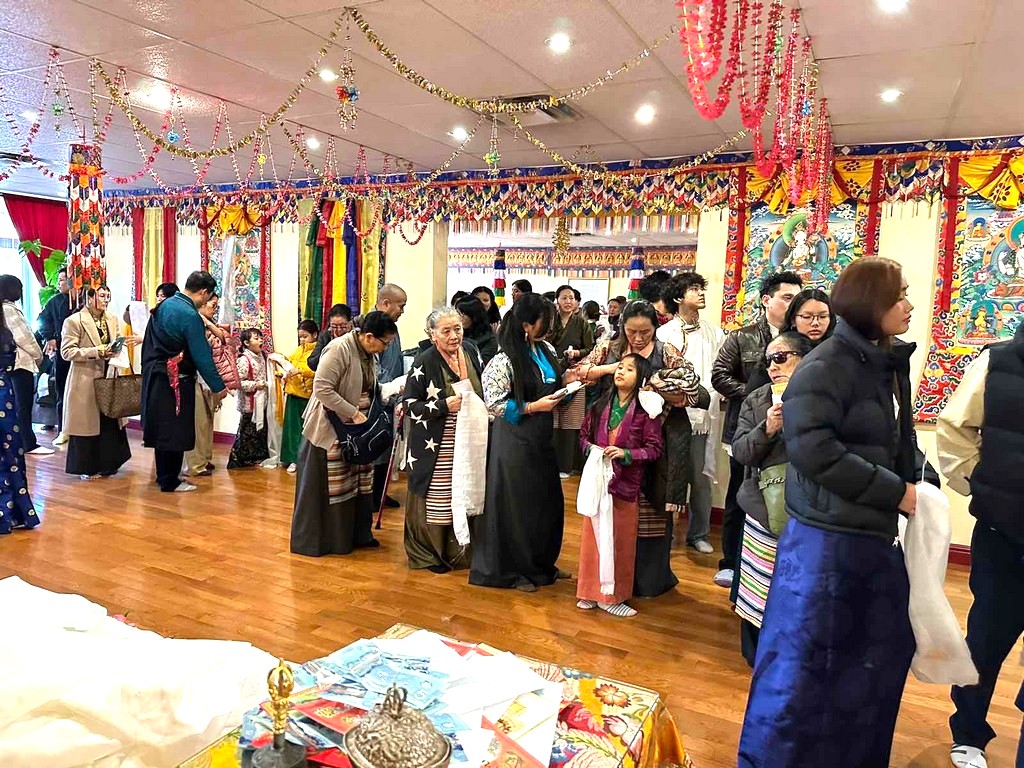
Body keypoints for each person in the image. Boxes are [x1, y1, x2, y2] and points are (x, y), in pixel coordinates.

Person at [738, 258, 930, 768]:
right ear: (872, 303)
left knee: (866, 664)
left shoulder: (884, 362)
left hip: (869, 535)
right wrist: (896, 492)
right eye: (900, 296)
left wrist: (923, 481)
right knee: (806, 670)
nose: (910, 306)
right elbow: (815, 452)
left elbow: (895, 441)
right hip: (827, 544)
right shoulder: (826, 366)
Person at [937, 322, 1024, 768]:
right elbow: (955, 427)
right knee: (986, 641)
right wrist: (981, 485)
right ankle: (969, 732)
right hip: (1003, 532)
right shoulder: (998, 360)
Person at [579, 301, 701, 598]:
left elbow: (692, 392)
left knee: (651, 512)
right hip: (612, 440)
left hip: (656, 441)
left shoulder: (666, 352)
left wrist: (655, 388)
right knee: (609, 513)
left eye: (644, 332)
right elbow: (578, 373)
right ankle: (605, 582)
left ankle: (646, 580)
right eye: (631, 331)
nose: (637, 338)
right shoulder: (609, 348)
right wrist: (613, 368)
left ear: (655, 328)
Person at [470, 294, 578, 592]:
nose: (551, 327)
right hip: (515, 441)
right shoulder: (503, 360)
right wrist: (532, 407)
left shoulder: (546, 349)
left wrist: (569, 383)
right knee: (517, 507)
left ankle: (541, 564)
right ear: (527, 325)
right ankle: (513, 570)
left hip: (542, 438)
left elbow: (553, 386)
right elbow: (494, 404)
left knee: (545, 503)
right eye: (546, 321)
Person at [711, 270, 802, 588]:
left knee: (781, 493)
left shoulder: (800, 341)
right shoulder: (742, 337)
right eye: (787, 298)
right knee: (740, 493)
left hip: (788, 433)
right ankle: (730, 562)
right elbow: (719, 375)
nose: (792, 305)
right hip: (747, 426)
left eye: (796, 299)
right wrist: (755, 395)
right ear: (767, 300)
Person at [731, 332, 814, 667]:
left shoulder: (822, 396)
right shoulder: (758, 398)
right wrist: (767, 428)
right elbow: (740, 452)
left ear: (806, 359)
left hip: (811, 508)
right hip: (764, 506)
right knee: (758, 585)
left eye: (781, 357)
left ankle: (794, 657)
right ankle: (755, 656)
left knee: (801, 587)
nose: (772, 366)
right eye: (768, 361)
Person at [290, 311, 397, 556]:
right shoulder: (339, 349)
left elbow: (367, 385)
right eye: (385, 343)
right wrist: (353, 412)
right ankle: (332, 542)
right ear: (369, 337)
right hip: (332, 429)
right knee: (335, 486)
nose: (385, 348)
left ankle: (357, 535)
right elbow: (322, 389)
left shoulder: (367, 352)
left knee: (358, 484)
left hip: (359, 432)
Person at [576, 353, 664, 618]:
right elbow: (583, 437)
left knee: (620, 541)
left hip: (625, 485)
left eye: (629, 369)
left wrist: (626, 454)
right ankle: (589, 592)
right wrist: (593, 450)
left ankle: (612, 596)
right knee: (592, 539)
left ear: (641, 378)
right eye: (620, 367)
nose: (621, 372)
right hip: (598, 480)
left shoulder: (646, 411)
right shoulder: (600, 404)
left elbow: (654, 449)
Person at [403, 306, 484, 573]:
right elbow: (409, 405)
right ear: (432, 334)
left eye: (457, 329)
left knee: (463, 491)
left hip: (468, 437)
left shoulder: (470, 351)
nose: (453, 336)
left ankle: (459, 550)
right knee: (438, 496)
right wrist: (442, 405)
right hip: (435, 441)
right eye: (446, 331)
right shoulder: (424, 361)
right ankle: (430, 554)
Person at [657, 272, 726, 554]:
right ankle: (663, 532)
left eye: (701, 288)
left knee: (700, 478)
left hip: (702, 417)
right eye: (694, 289)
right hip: (672, 416)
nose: (701, 293)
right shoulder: (664, 334)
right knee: (667, 476)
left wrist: (707, 395)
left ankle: (698, 533)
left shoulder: (715, 333)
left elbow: (720, 373)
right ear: (678, 297)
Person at [141, 271, 227, 493]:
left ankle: (163, 476)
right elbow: (201, 355)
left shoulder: (164, 305)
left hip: (155, 375)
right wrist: (218, 386)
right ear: (204, 292)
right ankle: (171, 481)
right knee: (176, 431)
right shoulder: (189, 314)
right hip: (176, 380)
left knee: (163, 430)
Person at [60, 285, 133, 479]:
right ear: (89, 297)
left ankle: (109, 464)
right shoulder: (74, 321)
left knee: (109, 419)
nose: (106, 299)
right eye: (101, 295)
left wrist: (116, 350)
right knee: (87, 424)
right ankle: (87, 467)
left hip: (109, 374)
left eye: (108, 295)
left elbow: (117, 341)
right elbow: (67, 352)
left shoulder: (112, 318)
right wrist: (97, 351)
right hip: (85, 376)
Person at [745, 288, 834, 395]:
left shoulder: (837, 350)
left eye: (823, 316)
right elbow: (753, 396)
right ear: (793, 320)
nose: (815, 323)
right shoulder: (777, 349)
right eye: (807, 317)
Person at [0, 275, 50, 456]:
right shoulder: (9, 310)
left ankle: (18, 443)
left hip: (8, 363)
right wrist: (39, 356)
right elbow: (25, 338)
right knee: (23, 404)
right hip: (20, 363)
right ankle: (29, 443)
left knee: (13, 404)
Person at [549, 285, 595, 478]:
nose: (568, 301)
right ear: (557, 301)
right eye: (564, 298)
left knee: (571, 421)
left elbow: (591, 349)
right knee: (552, 419)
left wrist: (576, 353)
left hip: (576, 374)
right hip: (552, 373)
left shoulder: (581, 323)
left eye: (571, 298)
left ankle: (567, 466)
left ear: (576, 302)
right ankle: (551, 464)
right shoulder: (551, 321)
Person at [368, 284, 408, 511]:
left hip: (392, 397)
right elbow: (375, 367)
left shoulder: (393, 327)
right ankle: (371, 496)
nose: (402, 311)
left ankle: (381, 493)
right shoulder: (372, 325)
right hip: (378, 396)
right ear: (385, 303)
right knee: (375, 446)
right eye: (400, 306)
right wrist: (389, 388)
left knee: (387, 446)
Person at [0, 305, 38, 535]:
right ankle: (14, 513)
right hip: (4, 394)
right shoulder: (5, 332)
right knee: (10, 452)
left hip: (4, 394)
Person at [183, 292, 226, 478]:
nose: (214, 309)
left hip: (210, 380)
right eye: (212, 305)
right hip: (196, 378)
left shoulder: (210, 324)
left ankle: (205, 459)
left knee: (207, 421)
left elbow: (226, 339)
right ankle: (194, 465)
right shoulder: (193, 322)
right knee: (197, 423)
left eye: (216, 306)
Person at [228, 328, 270, 469]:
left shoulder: (263, 357)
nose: (260, 340)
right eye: (256, 338)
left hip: (261, 402)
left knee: (259, 431)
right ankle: (238, 459)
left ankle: (255, 457)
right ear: (246, 343)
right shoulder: (244, 360)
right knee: (247, 432)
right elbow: (238, 383)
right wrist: (255, 385)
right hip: (249, 403)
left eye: (261, 338)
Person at [38, 269, 72, 445]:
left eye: (63, 280)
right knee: (62, 391)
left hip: (83, 353)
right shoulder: (54, 301)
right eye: (59, 280)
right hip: (62, 353)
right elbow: (42, 321)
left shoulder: (83, 300)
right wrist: (50, 337)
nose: (59, 283)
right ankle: (63, 430)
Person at [280, 320, 318, 473]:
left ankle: (299, 460)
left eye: (305, 336)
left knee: (303, 430)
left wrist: (300, 371)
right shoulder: (298, 350)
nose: (302, 340)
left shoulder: (317, 351)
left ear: (315, 335)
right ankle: (290, 458)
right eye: (300, 337)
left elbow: (316, 371)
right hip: (293, 393)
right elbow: (290, 363)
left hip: (306, 395)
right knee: (291, 429)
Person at [308, 303, 352, 372]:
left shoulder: (356, 337)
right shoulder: (325, 336)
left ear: (350, 321)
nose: (339, 330)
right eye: (334, 326)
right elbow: (312, 363)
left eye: (343, 326)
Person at [455, 295, 498, 365]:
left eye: (462, 314)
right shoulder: (456, 335)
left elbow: (482, 365)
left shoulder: (489, 340)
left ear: (474, 315)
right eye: (457, 314)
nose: (459, 318)